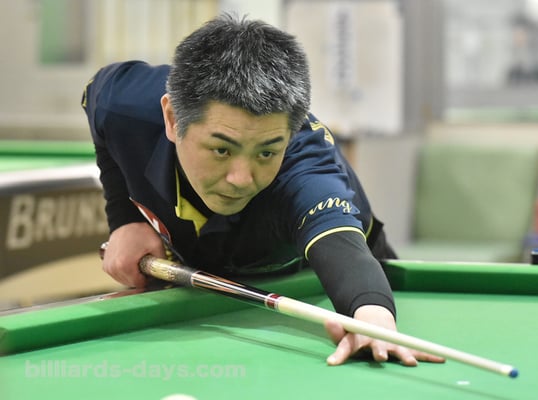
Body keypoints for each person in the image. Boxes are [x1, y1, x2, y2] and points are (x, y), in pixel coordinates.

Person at [82, 14, 444, 368]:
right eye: (222, 149)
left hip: (318, 273)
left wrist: (372, 314)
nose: (242, 178)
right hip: (208, 283)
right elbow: (96, 98)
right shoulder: (123, 105)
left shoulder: (305, 167)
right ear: (173, 119)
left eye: (267, 152)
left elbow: (338, 240)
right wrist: (125, 219)